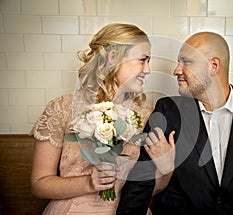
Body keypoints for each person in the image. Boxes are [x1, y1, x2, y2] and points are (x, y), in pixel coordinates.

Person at [116, 31, 233, 215]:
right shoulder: (168, 112)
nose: (176, 70)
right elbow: (138, 186)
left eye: (186, 62)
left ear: (214, 66)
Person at [30, 23, 174, 215]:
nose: (147, 70)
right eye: (142, 60)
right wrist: (89, 183)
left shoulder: (146, 115)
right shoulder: (62, 109)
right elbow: (39, 185)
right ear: (113, 58)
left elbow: (145, 190)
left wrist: (166, 171)